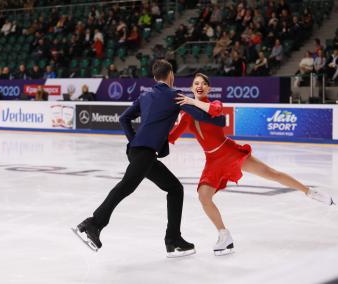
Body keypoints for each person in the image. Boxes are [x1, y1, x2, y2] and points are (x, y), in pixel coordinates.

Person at [169, 73, 335, 256]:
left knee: (272, 174)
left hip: (229, 152)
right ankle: (225, 236)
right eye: (196, 83)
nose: (199, 86)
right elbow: (172, 137)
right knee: (203, 196)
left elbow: (215, 111)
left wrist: (191, 103)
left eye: (203, 84)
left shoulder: (214, 104)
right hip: (212, 161)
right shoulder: (186, 116)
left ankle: (309, 191)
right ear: (192, 88)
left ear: (208, 88)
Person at [74, 60, 226, 257]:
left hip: (140, 152)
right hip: (144, 153)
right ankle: (93, 224)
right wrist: (220, 118)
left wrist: (134, 140)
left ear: (155, 77)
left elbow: (124, 119)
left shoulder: (145, 95)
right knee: (126, 186)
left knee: (174, 188)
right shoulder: (175, 96)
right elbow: (204, 117)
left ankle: (173, 239)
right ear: (171, 75)